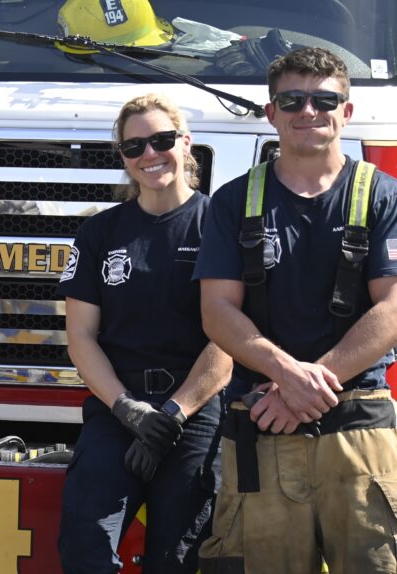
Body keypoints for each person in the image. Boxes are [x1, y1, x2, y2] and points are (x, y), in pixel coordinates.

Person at [196, 47, 397, 573]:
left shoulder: (384, 196)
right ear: (271, 113)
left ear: (346, 112)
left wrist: (304, 388)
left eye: (324, 100)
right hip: (262, 424)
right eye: (291, 100)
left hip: (357, 425)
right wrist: (287, 376)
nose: (308, 111)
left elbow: (394, 306)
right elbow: (217, 311)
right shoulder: (232, 201)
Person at [57, 93, 232, 573]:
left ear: (186, 143)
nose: (149, 154)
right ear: (123, 158)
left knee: (177, 559)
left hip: (194, 412)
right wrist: (128, 409)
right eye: (134, 147)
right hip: (118, 410)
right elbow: (81, 337)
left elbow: (228, 338)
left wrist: (173, 415)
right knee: (85, 543)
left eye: (161, 140)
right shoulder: (99, 233)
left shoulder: (221, 227)